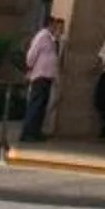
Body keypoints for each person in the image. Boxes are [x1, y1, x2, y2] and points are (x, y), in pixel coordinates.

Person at [20, 15, 63, 144]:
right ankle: (28, 132)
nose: (56, 28)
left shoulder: (50, 38)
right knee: (36, 105)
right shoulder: (42, 36)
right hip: (40, 75)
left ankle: (36, 131)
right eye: (54, 25)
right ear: (50, 24)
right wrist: (30, 66)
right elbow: (32, 54)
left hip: (47, 76)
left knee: (41, 106)